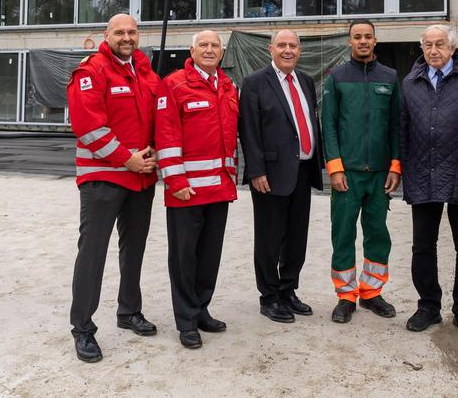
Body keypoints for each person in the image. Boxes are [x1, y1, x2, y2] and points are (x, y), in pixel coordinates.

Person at [67, 13, 161, 363]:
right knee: (92, 253)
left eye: (132, 31)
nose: (127, 37)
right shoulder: (91, 71)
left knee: (133, 249)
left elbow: (156, 117)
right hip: (103, 178)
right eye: (119, 32)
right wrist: (127, 159)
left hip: (140, 178)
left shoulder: (145, 70)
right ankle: (83, 328)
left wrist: (152, 150)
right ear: (106, 35)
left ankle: (129, 311)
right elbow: (88, 127)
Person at [400, 25, 458, 339]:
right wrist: (401, 167)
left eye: (440, 44)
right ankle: (428, 306)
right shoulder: (410, 82)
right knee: (423, 246)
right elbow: (403, 128)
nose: (433, 50)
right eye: (428, 45)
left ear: (452, 48)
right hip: (422, 173)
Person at [155, 30, 240, 350]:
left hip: (219, 189)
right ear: (191, 50)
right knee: (184, 258)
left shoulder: (229, 86)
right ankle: (186, 320)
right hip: (186, 191)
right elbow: (165, 135)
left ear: (222, 52)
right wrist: (175, 181)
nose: (209, 49)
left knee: (208, 256)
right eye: (203, 45)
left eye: (215, 45)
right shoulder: (174, 84)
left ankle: (202, 308)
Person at [238, 29, 324, 324]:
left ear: (300, 50)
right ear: (270, 49)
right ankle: (269, 296)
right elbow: (248, 130)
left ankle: (288, 290)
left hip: (302, 170)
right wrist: (256, 171)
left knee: (296, 237)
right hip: (270, 175)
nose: (288, 50)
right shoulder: (253, 83)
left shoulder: (306, 81)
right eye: (282, 45)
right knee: (269, 238)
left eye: (293, 45)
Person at [322, 20, 402, 324]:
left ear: (375, 41)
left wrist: (395, 164)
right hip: (347, 175)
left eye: (368, 37)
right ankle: (345, 295)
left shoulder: (391, 77)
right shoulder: (337, 77)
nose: (363, 41)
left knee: (378, 234)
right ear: (349, 42)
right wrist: (335, 167)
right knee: (343, 234)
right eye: (357, 37)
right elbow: (327, 124)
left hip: (381, 173)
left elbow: (396, 124)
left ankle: (371, 292)